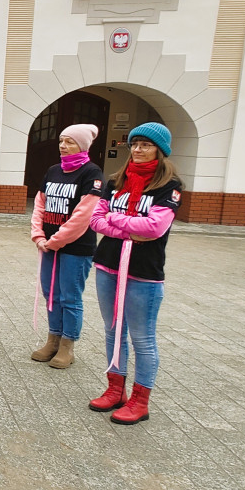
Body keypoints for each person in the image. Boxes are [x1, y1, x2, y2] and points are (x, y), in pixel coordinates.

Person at [88, 123, 181, 425]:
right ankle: (116, 389)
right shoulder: (115, 181)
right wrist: (127, 224)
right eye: (134, 144)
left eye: (146, 145)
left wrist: (115, 223)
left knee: (142, 338)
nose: (138, 150)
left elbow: (155, 228)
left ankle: (141, 401)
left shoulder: (169, 186)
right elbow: (96, 220)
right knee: (113, 330)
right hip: (108, 265)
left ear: (160, 149)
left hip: (144, 274)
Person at [29, 124, 104, 369]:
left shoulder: (91, 173)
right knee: (51, 294)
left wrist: (56, 240)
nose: (63, 146)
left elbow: (84, 214)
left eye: (70, 141)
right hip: (48, 245)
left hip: (75, 248)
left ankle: (67, 346)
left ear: (82, 145)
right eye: (61, 141)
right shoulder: (52, 171)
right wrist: (38, 235)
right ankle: (53, 339)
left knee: (69, 297)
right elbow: (40, 204)